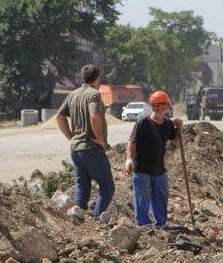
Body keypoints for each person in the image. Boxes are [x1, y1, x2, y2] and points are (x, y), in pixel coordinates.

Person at [56, 64, 115, 221]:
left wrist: (71, 137)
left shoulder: (72, 95)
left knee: (83, 187)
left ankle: (78, 220)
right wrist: (101, 140)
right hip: (91, 148)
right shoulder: (93, 95)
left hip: (76, 149)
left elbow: (60, 117)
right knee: (108, 187)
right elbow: (94, 116)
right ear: (97, 78)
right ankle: (96, 220)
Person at [124, 90, 183, 228]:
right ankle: (143, 225)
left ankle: (161, 223)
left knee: (161, 198)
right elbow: (132, 142)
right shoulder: (143, 123)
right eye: (153, 105)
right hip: (142, 169)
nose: (156, 107)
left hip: (159, 170)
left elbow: (175, 140)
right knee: (142, 199)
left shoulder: (168, 124)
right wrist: (129, 159)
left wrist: (179, 127)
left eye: (159, 104)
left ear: (166, 106)